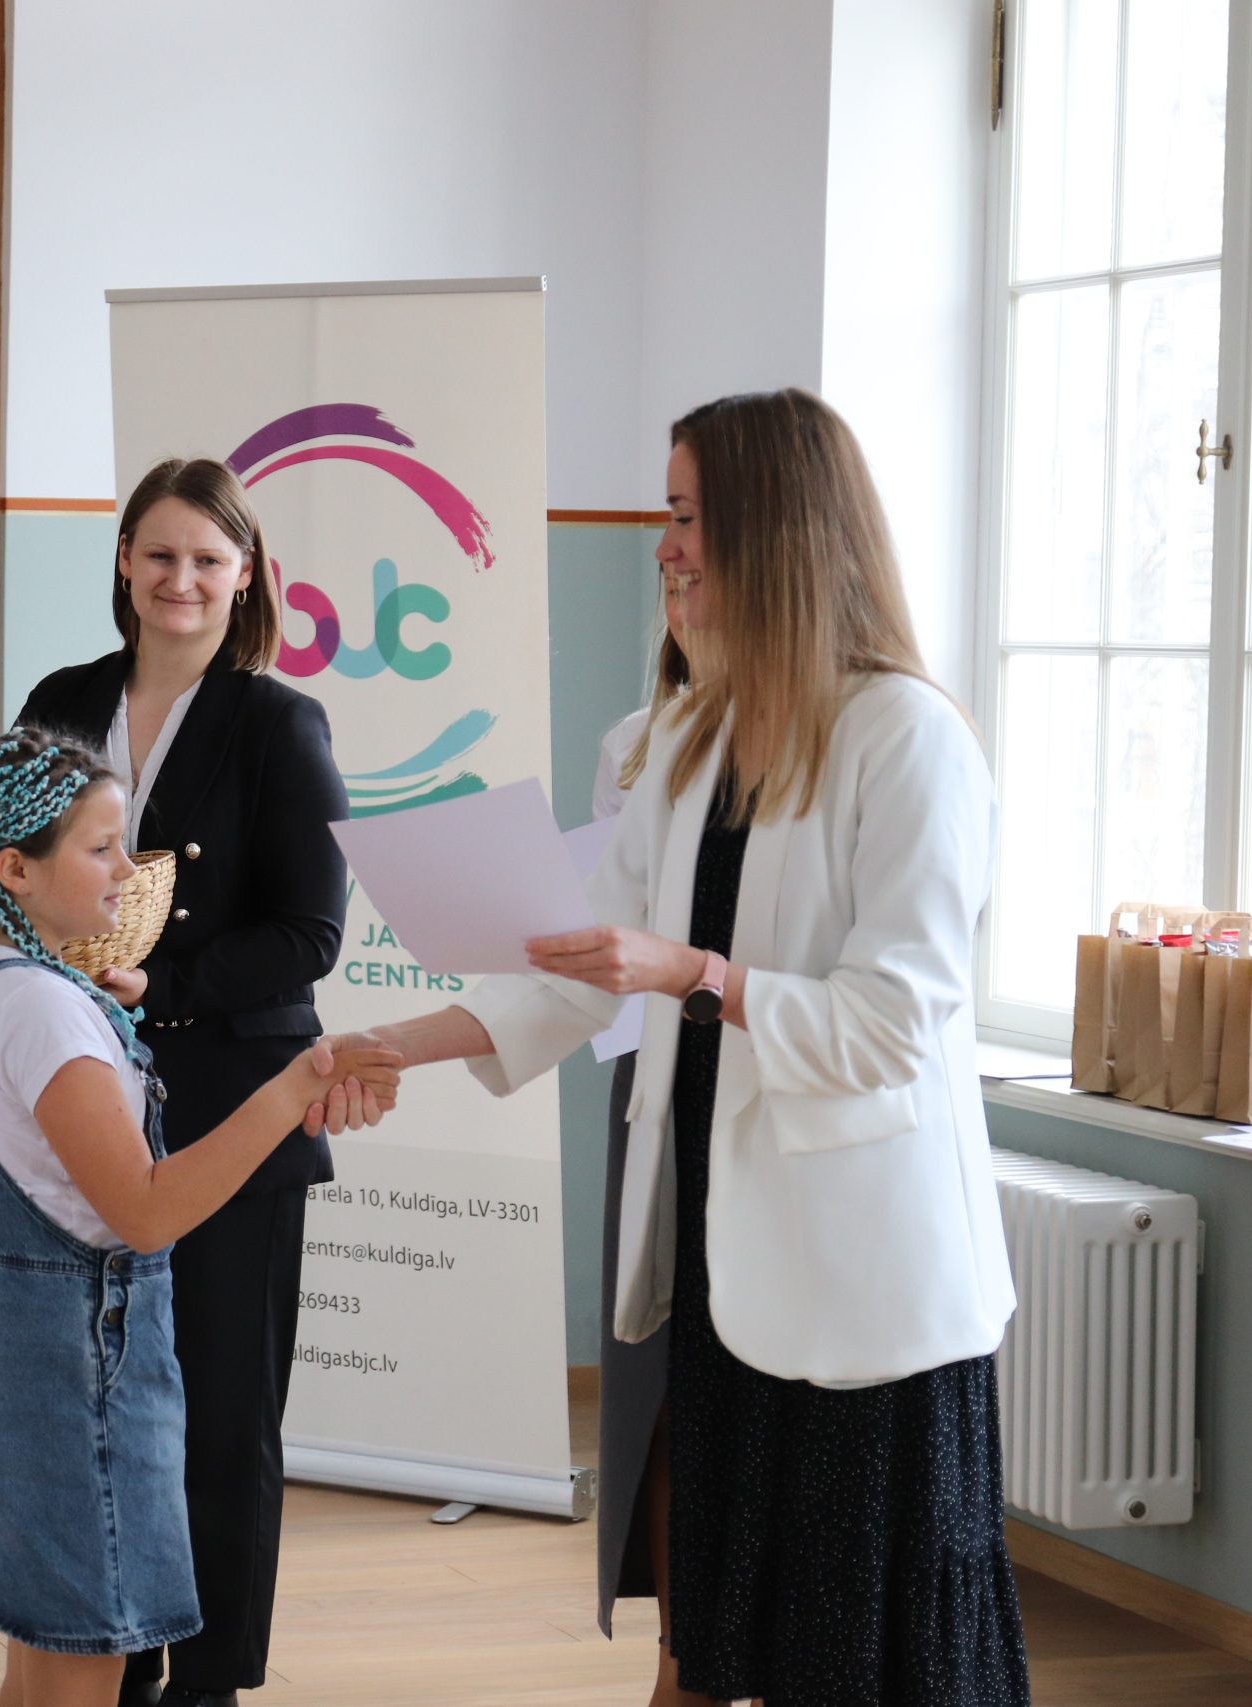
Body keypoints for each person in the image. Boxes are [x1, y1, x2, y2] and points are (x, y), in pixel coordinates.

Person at [345, 390, 1029, 1707]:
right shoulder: (691, 736)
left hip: (865, 1277)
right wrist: (391, 1042)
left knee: (862, 1658)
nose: (662, 546)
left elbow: (893, 1023)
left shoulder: (910, 738)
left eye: (685, 515)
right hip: (724, 1254)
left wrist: (697, 976)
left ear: (775, 529)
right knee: (717, 1637)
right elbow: (574, 959)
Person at [0, 727, 398, 1707]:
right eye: (101, 847)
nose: (130, 870)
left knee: (41, 1665)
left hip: (26, 1357)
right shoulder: (43, 1010)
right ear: (15, 870)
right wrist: (291, 1089)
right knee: (81, 1667)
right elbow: (147, 1213)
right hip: (82, 1371)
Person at [13, 457, 347, 1707]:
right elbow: (5, 869)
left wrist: (161, 985)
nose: (181, 580)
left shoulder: (278, 724)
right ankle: (120, 1657)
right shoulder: (60, 700)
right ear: (122, 562)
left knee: (220, 1419)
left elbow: (310, 935)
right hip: (80, 1101)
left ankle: (204, 1685)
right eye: (159, 554)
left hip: (233, 1112)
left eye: (208, 559)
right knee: (109, 1415)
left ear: (245, 575)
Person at [584, 556, 688, 1661]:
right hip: (647, 1080)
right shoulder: (636, 744)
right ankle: (681, 1662)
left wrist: (689, 968)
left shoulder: (886, 735)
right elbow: (597, 935)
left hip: (761, 1090)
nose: (675, 572)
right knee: (652, 1388)